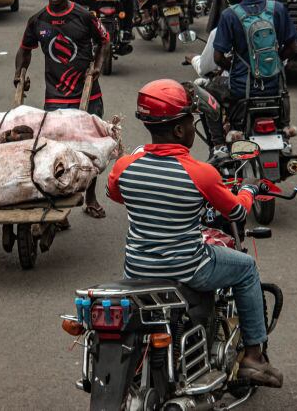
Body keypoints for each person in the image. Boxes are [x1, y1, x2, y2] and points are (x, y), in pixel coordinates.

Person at [106, 79, 284, 387]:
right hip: (188, 267)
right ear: (179, 130)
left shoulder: (125, 166)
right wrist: (249, 191)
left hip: (136, 269)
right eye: (191, 121)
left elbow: (116, 194)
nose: (192, 127)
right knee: (246, 269)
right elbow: (237, 212)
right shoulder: (201, 173)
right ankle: (254, 355)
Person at [15, 0, 109, 218]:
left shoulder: (84, 16)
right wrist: (19, 73)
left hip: (87, 92)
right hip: (55, 94)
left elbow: (104, 40)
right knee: (55, 150)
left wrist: (97, 67)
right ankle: (60, 204)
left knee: (90, 147)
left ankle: (90, 197)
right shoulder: (38, 20)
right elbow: (25, 49)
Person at [213, 0, 297, 128]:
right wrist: (274, 63)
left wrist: (235, 68)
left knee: (210, 91)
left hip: (241, 89)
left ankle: (218, 144)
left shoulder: (229, 15)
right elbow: (292, 47)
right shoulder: (277, 9)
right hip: (274, 86)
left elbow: (218, 57)